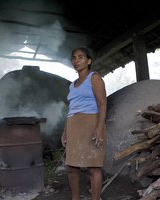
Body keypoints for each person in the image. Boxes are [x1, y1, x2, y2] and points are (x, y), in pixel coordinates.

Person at [61, 47, 107, 200]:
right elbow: (71, 109)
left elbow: (102, 104)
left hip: (91, 123)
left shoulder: (94, 78)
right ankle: (76, 198)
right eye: (74, 58)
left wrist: (99, 128)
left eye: (81, 57)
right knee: (71, 166)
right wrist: (65, 131)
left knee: (93, 167)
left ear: (89, 61)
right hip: (73, 124)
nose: (76, 60)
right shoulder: (72, 85)